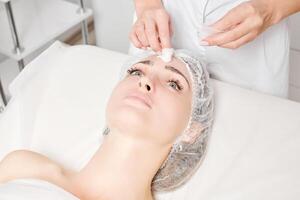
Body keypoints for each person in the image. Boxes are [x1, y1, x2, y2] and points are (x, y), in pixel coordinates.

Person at [0, 50, 214, 200]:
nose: (144, 82)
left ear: (193, 129)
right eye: (136, 72)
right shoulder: (22, 168)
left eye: (173, 84)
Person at [130, 0, 300, 97]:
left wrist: (273, 8)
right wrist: (147, 5)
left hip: (255, 36)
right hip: (161, 18)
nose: (144, 83)